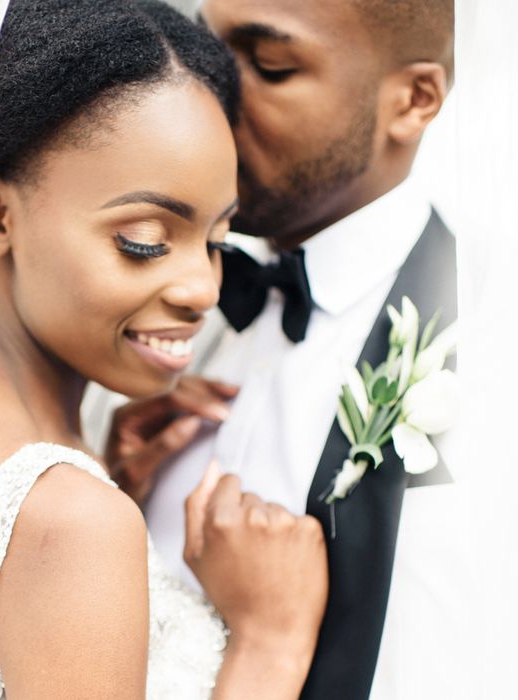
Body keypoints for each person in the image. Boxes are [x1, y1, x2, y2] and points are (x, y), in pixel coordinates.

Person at [0, 1, 328, 698]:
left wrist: (103, 465)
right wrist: (269, 647)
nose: (202, 289)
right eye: (144, 240)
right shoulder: (70, 520)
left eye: (216, 242)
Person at [87, 1, 466, 699]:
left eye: (270, 67)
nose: (210, 90)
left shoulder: (479, 366)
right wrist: (115, 501)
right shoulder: (176, 293)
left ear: (413, 101)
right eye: (206, 49)